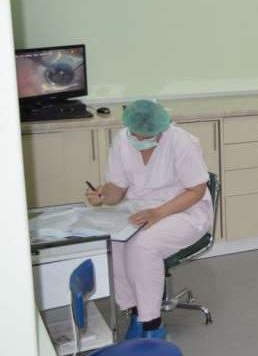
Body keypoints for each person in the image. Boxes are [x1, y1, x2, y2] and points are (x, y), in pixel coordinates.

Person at [86, 100, 212, 339]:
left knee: (143, 246)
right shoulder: (122, 140)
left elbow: (196, 190)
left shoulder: (181, 141)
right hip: (140, 209)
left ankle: (153, 324)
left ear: (161, 128)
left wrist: (159, 213)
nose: (139, 139)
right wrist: (102, 196)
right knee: (116, 243)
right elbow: (117, 189)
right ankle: (135, 312)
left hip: (184, 210)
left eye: (147, 135)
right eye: (135, 134)